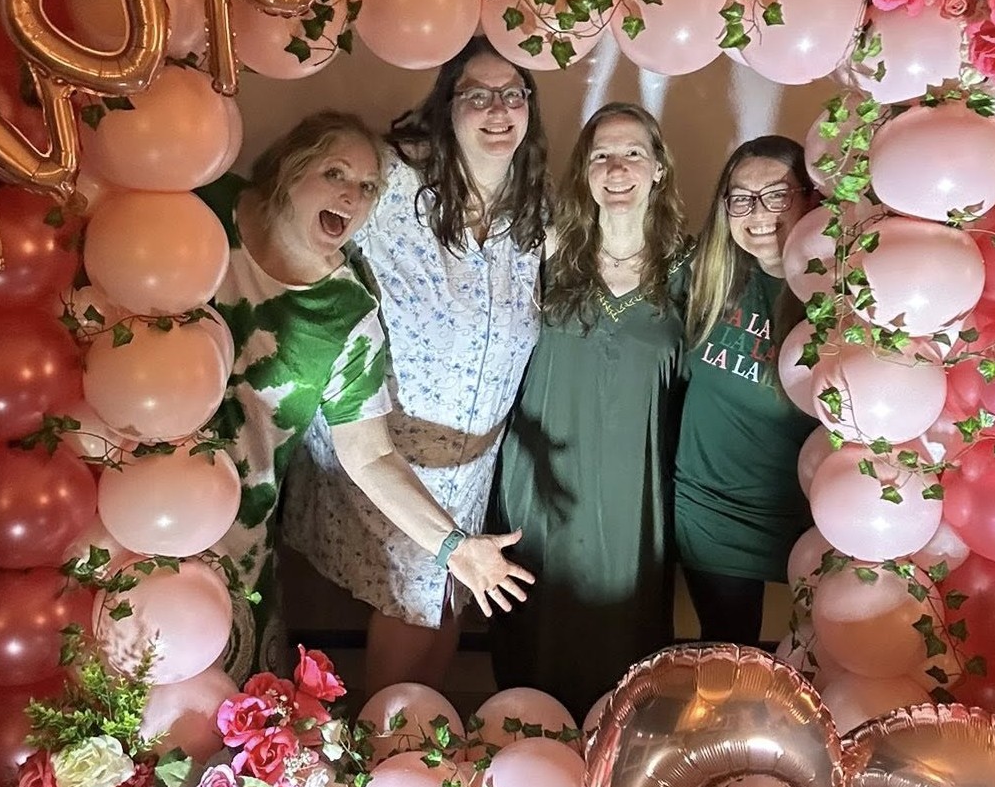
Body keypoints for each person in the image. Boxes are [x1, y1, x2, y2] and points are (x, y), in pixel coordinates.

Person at [202, 110, 533, 683]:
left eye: (368, 187)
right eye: (335, 174)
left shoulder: (349, 316)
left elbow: (371, 455)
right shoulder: (204, 210)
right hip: (118, 486)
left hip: (231, 537)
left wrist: (454, 547)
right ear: (290, 170)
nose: (352, 196)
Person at [284, 40, 547, 695]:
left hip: (475, 459)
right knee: (413, 604)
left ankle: (423, 745)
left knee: (446, 600)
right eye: (477, 95)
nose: (497, 109)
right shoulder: (395, 183)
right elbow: (300, 207)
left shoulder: (533, 210)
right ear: (446, 108)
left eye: (513, 94)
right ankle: (386, 758)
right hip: (388, 451)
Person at [488, 102, 690, 721]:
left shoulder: (692, 267)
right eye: (602, 154)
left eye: (633, 152)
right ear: (584, 171)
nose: (618, 167)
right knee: (535, 620)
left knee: (622, 631)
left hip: (636, 488)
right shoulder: (546, 254)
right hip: (538, 479)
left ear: (658, 167)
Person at [673, 135, 819, 647]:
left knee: (822, 653)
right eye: (741, 198)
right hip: (708, 509)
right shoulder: (708, 276)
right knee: (727, 651)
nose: (759, 214)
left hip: (805, 518)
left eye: (778, 195)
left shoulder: (837, 294)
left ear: (810, 197)